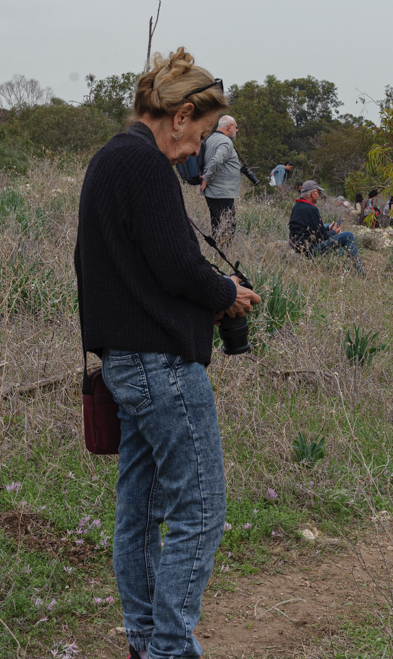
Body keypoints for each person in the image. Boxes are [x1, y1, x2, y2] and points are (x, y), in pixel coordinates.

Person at [75, 47, 261, 659]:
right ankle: (169, 650)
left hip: (124, 363)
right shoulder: (146, 165)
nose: (195, 150)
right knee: (201, 509)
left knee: (139, 510)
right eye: (201, 135)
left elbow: (136, 266)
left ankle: (145, 640)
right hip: (161, 365)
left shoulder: (110, 159)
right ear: (180, 116)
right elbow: (178, 266)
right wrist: (225, 293)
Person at [288, 180, 365, 274]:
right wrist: (333, 232)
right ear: (313, 193)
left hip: (298, 244)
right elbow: (321, 237)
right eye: (318, 192)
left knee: (328, 225)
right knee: (348, 236)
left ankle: (340, 258)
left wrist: (328, 230)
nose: (319, 195)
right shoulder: (311, 209)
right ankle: (358, 271)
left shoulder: (297, 205)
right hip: (310, 249)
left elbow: (311, 230)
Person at [199, 115, 241, 245]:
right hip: (221, 192)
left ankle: (218, 252)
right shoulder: (225, 142)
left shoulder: (210, 138)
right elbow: (217, 159)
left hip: (213, 191)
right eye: (236, 127)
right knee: (227, 227)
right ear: (229, 127)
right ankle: (224, 254)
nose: (237, 130)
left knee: (217, 225)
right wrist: (207, 177)